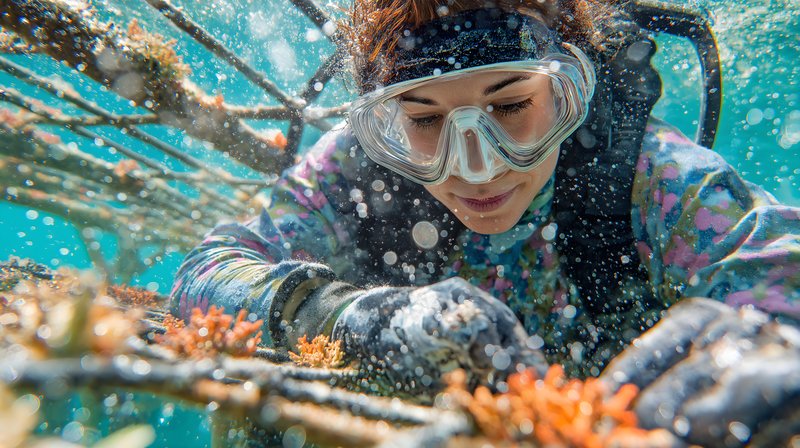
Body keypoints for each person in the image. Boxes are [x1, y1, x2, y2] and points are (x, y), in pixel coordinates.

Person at [170, 0, 800, 444]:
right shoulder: (352, 170)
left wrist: (770, 337)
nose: (476, 168)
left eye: (512, 104)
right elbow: (206, 272)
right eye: (424, 120)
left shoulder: (653, 175)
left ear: (569, 92)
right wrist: (345, 317)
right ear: (385, 126)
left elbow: (780, 269)